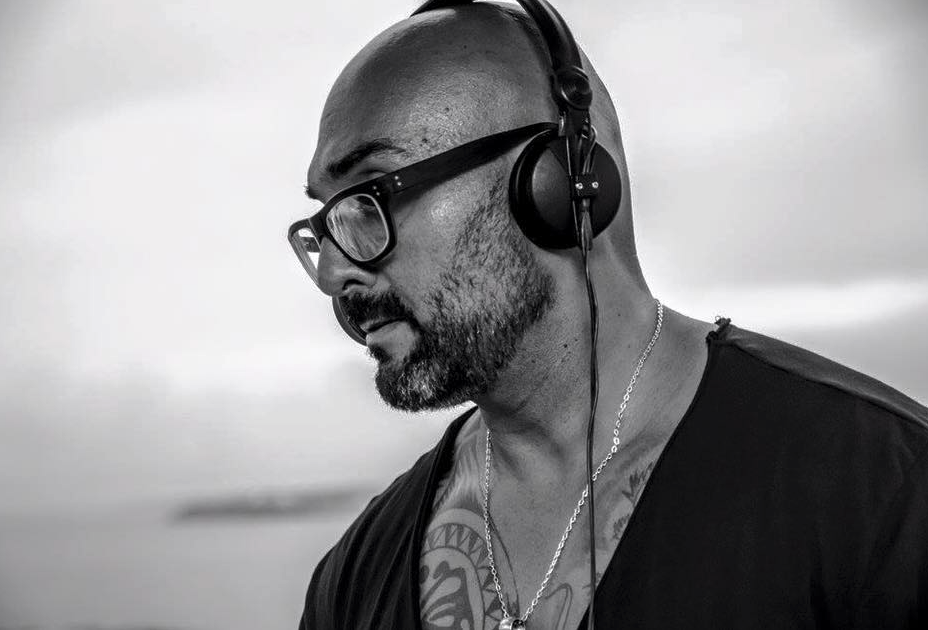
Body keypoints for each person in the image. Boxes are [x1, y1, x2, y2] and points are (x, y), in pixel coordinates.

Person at [291, 2, 928, 629]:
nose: (331, 273)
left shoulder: (883, 493)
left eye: (370, 196)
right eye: (326, 224)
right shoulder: (353, 578)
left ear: (560, 180)